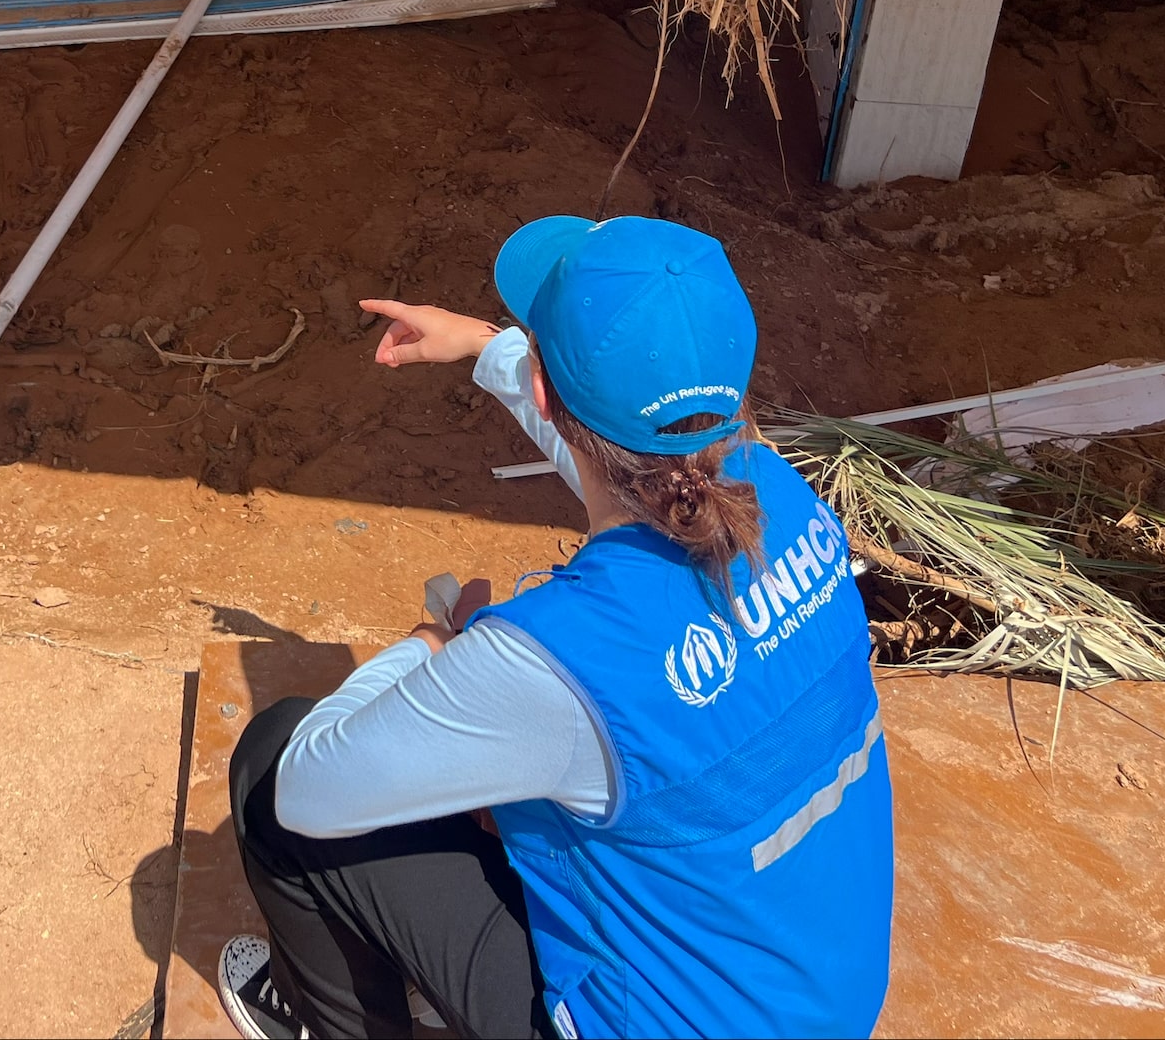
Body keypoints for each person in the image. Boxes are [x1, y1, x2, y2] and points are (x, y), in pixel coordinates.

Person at [218, 216, 893, 1040]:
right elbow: (634, 463)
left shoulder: (557, 654)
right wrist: (485, 347)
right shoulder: (786, 500)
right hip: (817, 1001)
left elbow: (312, 789)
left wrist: (430, 649)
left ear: (547, 391)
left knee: (270, 770)